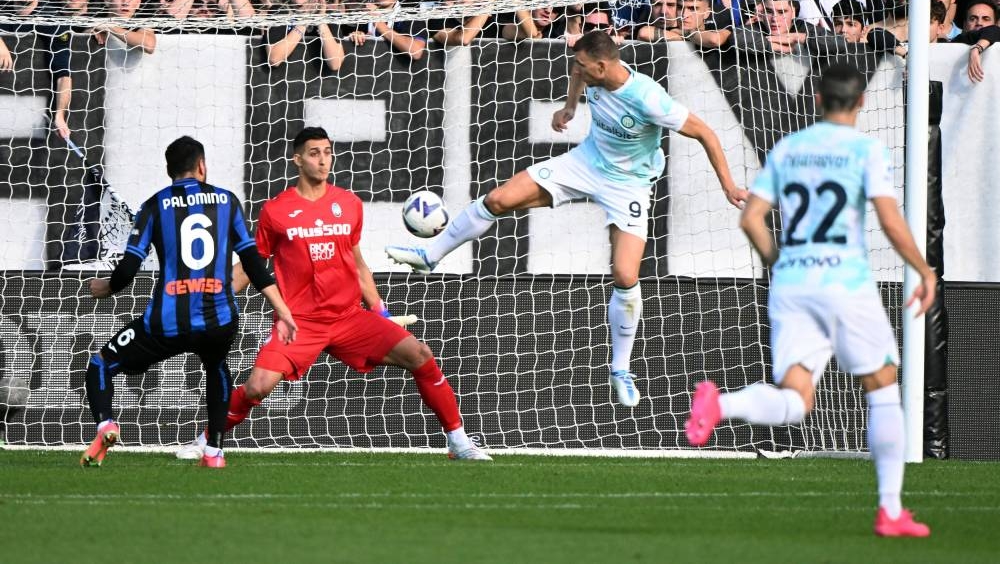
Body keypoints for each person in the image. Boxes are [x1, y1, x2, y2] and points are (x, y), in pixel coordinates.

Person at [386, 31, 747, 407]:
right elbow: (576, 77)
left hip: (629, 185)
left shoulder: (648, 98)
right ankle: (431, 256)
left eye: (581, 64)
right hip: (585, 163)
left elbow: (705, 132)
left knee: (626, 275)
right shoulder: (589, 72)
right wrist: (570, 108)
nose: (575, 69)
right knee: (497, 199)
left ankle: (620, 368)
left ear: (602, 66)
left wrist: (729, 186)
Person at [685, 62, 935, 538]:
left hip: (792, 281)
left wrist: (779, 262)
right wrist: (923, 270)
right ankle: (890, 509)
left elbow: (751, 218)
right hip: (843, 278)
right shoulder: (866, 149)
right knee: (882, 384)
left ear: (817, 99)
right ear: (861, 103)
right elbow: (888, 218)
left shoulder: (789, 149)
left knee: (797, 401)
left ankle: (722, 405)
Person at [177, 127, 491, 462]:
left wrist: (380, 312)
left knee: (421, 355)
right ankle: (206, 439)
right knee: (257, 388)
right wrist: (211, 298)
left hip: (349, 318)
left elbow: (357, 264)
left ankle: (458, 442)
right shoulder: (276, 210)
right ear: (297, 159)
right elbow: (252, 265)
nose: (323, 159)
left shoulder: (349, 204)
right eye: (314, 153)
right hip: (299, 323)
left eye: (327, 151)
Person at [80, 136, 298, 468]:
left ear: (169, 171)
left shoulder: (154, 206)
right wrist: (281, 309)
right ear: (202, 166)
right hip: (218, 319)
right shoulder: (227, 202)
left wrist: (105, 287)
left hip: (166, 323)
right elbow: (253, 263)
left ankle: (106, 424)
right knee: (217, 367)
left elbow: (126, 273)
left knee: (101, 365)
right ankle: (215, 452)